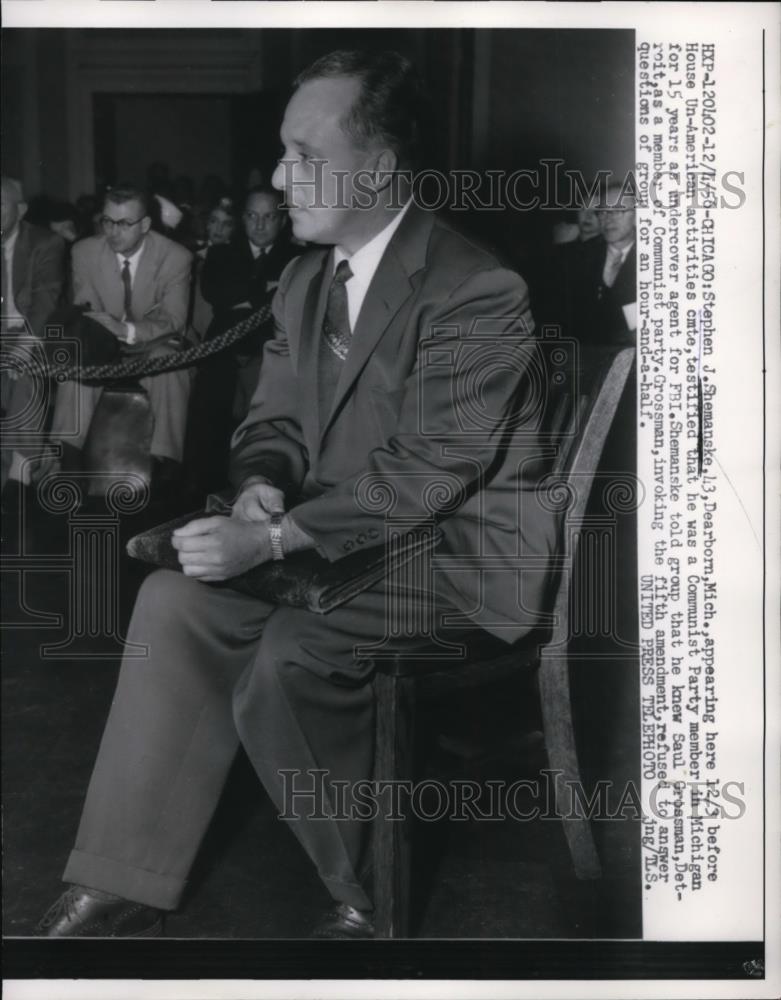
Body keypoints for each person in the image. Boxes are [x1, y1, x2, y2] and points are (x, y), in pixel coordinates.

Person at [36, 49, 557, 940]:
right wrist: (258, 492)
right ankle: (122, 874)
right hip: (342, 542)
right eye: (282, 154)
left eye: (303, 155)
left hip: (453, 555)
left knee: (291, 651)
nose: (279, 178)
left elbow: (431, 469)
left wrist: (274, 544)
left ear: (380, 168)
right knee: (171, 600)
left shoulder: (477, 288)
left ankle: (367, 893)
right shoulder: (308, 280)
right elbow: (269, 423)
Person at [46, 186, 194, 484]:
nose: (113, 231)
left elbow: (173, 320)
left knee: (168, 362)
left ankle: (163, 462)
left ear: (145, 225)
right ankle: (69, 458)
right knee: (79, 366)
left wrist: (126, 330)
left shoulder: (176, 257)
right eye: (108, 221)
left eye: (124, 223)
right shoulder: (84, 251)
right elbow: (87, 310)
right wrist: (106, 333)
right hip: (104, 341)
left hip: (156, 340)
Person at [1, 176, 66, 490]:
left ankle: (19, 474)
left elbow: (46, 300)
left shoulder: (46, 243)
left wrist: (24, 344)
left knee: (25, 371)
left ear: (21, 209)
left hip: (28, 331)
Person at [537, 181, 636, 345]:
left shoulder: (653, 260)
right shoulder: (576, 256)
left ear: (637, 215)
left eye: (617, 210)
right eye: (603, 211)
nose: (608, 219)